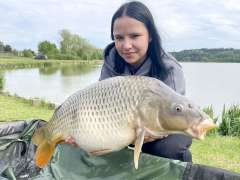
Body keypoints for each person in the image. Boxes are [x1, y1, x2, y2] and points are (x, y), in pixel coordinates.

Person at [99, 1, 192, 162]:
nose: (126, 45)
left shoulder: (170, 69)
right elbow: (100, 104)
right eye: (119, 38)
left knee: (173, 146)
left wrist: (144, 133)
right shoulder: (112, 61)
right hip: (119, 126)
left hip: (158, 131)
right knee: (90, 141)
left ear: (150, 36)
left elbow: (175, 116)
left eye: (134, 36)